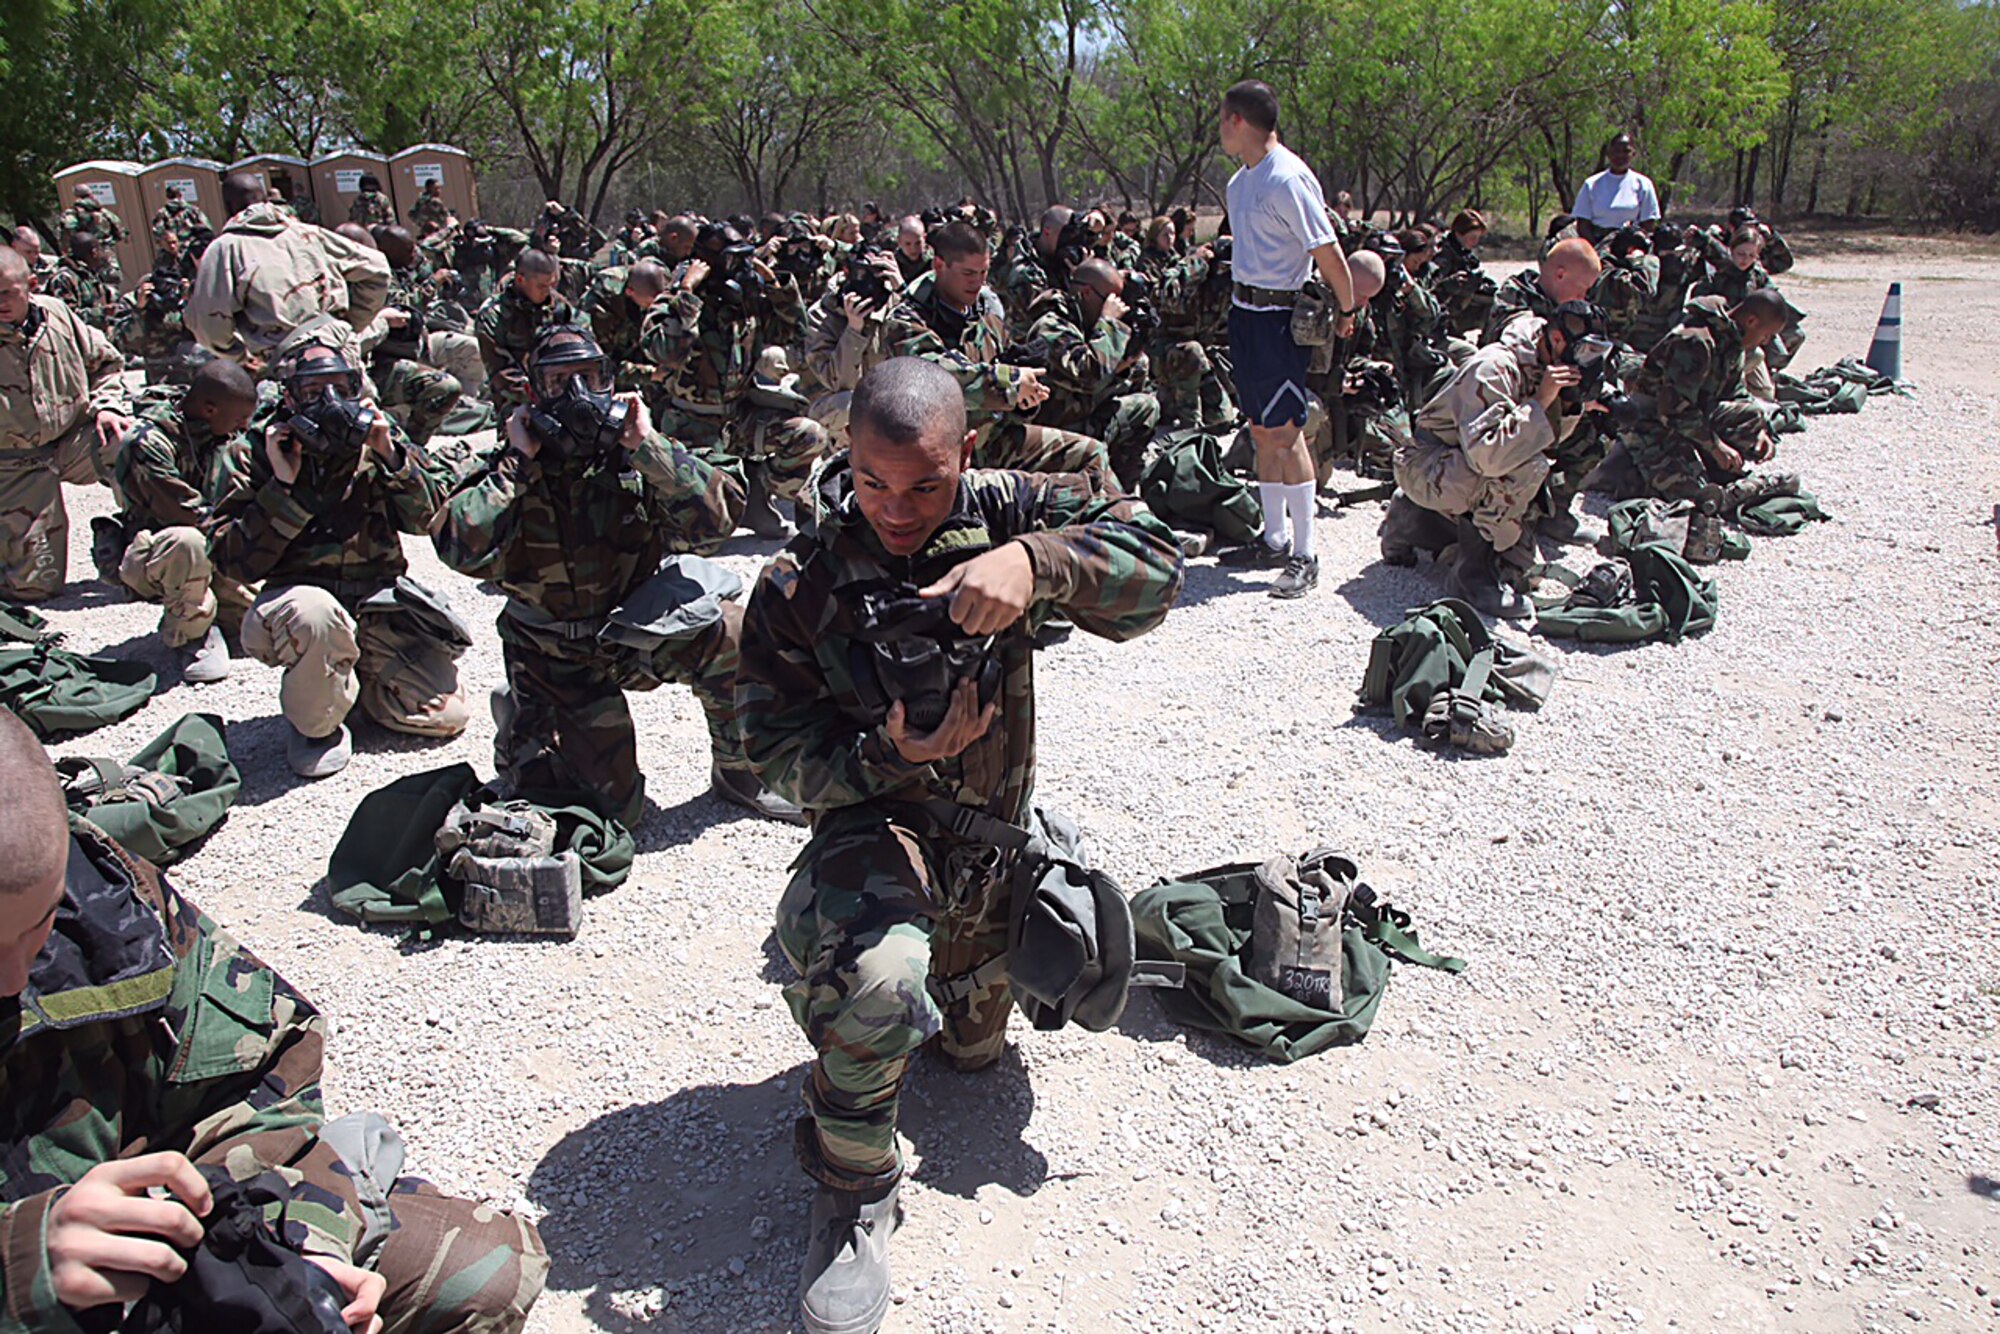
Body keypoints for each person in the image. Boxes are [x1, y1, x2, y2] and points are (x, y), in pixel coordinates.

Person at [737, 358, 1182, 1334]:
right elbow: (769, 754)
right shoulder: (799, 579)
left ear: (966, 454)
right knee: (882, 983)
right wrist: (881, 752)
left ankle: (960, 949)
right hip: (875, 827)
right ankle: (851, 1192)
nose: (896, 508)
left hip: (987, 847)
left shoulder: (1006, 510)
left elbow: (1157, 567)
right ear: (844, 456)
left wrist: (1034, 563)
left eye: (925, 484)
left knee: (971, 1055)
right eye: (871, 480)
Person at [0, 707, 549, 1334]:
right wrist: (19, 1268)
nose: (16, 978)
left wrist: (295, 1242)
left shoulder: (102, 902)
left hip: (158, 1254)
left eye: (38, 925)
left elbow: (255, 1078)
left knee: (484, 1268)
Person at [433, 325, 799, 825]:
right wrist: (517, 461)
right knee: (613, 814)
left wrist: (646, 445)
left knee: (735, 633)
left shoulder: (633, 453)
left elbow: (715, 523)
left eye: (589, 377)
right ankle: (522, 709)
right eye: (560, 381)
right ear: (534, 392)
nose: (578, 394)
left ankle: (739, 772)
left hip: (633, 631)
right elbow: (457, 545)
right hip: (551, 654)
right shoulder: (511, 465)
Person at [207, 329, 469, 778]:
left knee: (446, 717)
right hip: (296, 608)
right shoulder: (254, 451)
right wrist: (284, 488)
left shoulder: (374, 439)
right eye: (312, 391)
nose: (329, 400)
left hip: (373, 605)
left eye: (340, 388)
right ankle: (316, 727)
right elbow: (233, 562)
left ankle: (344, 683)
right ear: (289, 398)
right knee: (316, 614)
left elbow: (429, 519)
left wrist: (390, 454)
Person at [1215, 79, 1358, 599]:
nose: (1220, 131)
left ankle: (1305, 552)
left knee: (1287, 432)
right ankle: (1273, 538)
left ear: (1238, 121)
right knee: (1258, 428)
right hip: (1244, 314)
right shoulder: (1240, 183)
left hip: (1279, 317)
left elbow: (1327, 250)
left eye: (1222, 120)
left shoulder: (1288, 178)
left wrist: (1346, 308)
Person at [1380, 301, 1608, 618]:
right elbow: (1488, 458)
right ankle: (1470, 579)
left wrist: (1569, 406)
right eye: (1586, 351)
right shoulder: (1494, 367)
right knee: (1525, 468)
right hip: (1426, 462)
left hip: (1457, 465)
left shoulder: (1543, 364)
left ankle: (1410, 520)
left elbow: (1548, 441)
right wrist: (1542, 401)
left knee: (1521, 569)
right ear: (1557, 340)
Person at [640, 223, 829, 537]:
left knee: (810, 436)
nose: (740, 269)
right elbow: (665, 352)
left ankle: (757, 493)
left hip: (738, 418)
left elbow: (797, 330)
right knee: (708, 531)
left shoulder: (744, 303)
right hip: (691, 427)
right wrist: (686, 294)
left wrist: (774, 282)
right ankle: (734, 499)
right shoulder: (675, 301)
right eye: (732, 261)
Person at [106, 360, 263, 682]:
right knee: (186, 541)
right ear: (209, 409)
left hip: (216, 543)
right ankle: (190, 635)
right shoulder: (148, 443)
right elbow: (187, 514)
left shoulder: (218, 431)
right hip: (158, 555)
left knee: (264, 626)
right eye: (238, 419)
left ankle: (223, 611)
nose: (242, 427)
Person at [0, 248, 130, 602]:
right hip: (13, 465)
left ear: (31, 284)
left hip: (71, 442)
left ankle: (142, 548)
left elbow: (107, 364)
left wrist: (107, 407)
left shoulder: (57, 316)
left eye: (6, 293)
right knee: (34, 588)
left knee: (129, 442)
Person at [187, 173, 391, 370]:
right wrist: (350, 324)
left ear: (227, 207)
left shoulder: (224, 249)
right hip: (340, 353)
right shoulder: (309, 233)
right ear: (266, 200)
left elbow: (209, 325)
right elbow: (377, 268)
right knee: (359, 402)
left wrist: (240, 357)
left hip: (283, 365)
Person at [1614, 289, 1788, 502]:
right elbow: (1673, 411)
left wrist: (1759, 432)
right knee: (1695, 495)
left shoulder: (1732, 339)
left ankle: (1703, 462)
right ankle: (1626, 467)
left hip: (1693, 415)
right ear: (1751, 321)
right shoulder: (1696, 341)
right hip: (1652, 420)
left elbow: (1736, 393)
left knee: (1753, 414)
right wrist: (1716, 447)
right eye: (1767, 335)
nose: (1766, 342)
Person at [1018, 256, 1159, 488]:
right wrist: (1110, 322)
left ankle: (1122, 480)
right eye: (1111, 301)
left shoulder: (1083, 319)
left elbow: (1104, 373)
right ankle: (1095, 483)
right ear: (1086, 293)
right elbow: (1089, 374)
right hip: (1056, 431)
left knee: (1145, 401)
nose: (1118, 308)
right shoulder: (1050, 326)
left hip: (1083, 414)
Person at [358, 226, 462, 447]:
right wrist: (434, 282)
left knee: (467, 347)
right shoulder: (374, 279)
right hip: (380, 361)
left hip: (418, 346)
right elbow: (405, 306)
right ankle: (411, 446)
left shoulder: (404, 269)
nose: (414, 252)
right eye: (407, 249)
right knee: (443, 387)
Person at [476, 248, 576, 414]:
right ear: (521, 279)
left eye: (551, 285)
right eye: (542, 286)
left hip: (562, 392)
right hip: (518, 400)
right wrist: (543, 395)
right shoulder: (493, 315)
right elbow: (501, 374)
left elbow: (583, 340)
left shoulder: (558, 305)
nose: (548, 291)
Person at [1482, 236, 1602, 344]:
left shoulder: (1569, 304)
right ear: (1560, 275)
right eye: (1581, 287)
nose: (1583, 296)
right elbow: (1517, 339)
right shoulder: (1513, 296)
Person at [580, 258, 671, 393]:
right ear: (629, 292)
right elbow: (598, 366)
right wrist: (650, 374)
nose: (652, 308)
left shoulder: (657, 277)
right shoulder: (601, 311)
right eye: (648, 304)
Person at [1571, 133, 1661, 239]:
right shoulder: (1591, 184)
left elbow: (1648, 223)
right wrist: (1595, 250)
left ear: (1633, 154)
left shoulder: (1644, 184)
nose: (1620, 155)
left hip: (1632, 243)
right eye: (1616, 151)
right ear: (1608, 154)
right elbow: (1582, 223)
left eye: (1626, 151)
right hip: (1597, 241)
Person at [41, 231, 119, 331]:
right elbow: (67, 316)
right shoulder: (64, 278)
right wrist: (102, 313)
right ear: (94, 252)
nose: (103, 254)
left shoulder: (91, 274)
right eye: (101, 249)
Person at [58, 184, 126, 248]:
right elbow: (119, 230)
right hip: (104, 249)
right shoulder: (103, 211)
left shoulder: (72, 212)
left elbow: (68, 229)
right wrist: (108, 242)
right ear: (90, 193)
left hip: (85, 252)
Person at [893, 215, 930, 286]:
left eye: (918, 243)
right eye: (908, 244)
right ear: (899, 241)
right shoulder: (894, 264)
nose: (913, 249)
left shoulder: (934, 262)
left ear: (924, 238)